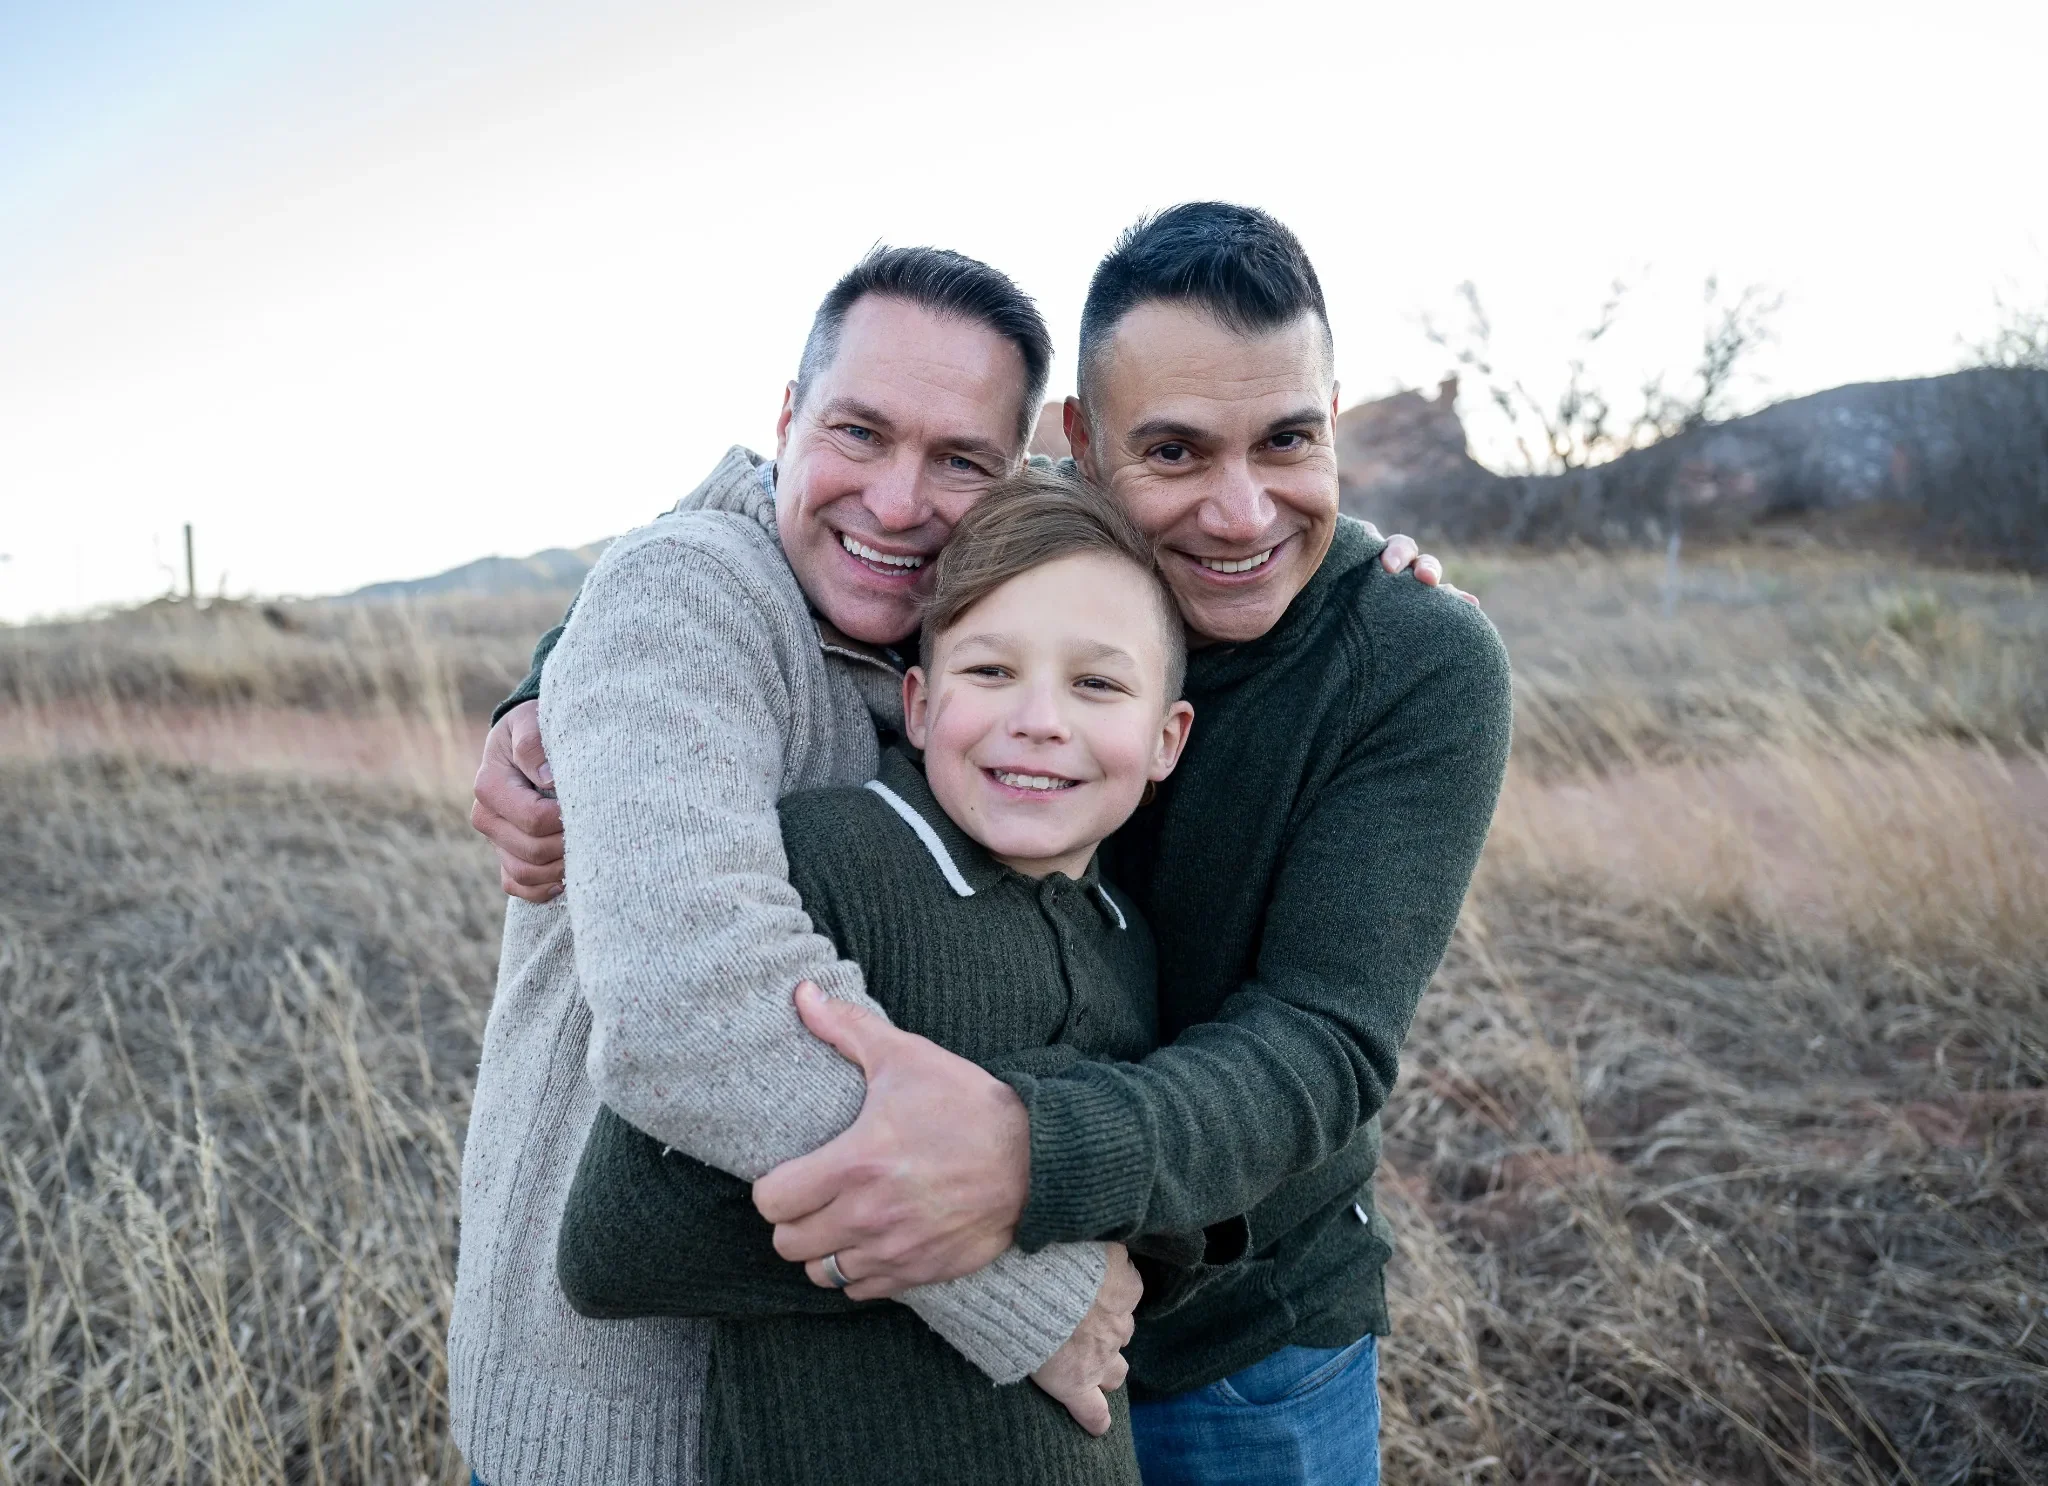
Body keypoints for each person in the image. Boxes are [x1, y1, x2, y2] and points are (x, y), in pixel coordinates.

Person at [462, 213, 1487, 1486]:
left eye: (1286, 440)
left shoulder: (1387, 647)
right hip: (917, 1341)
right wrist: (549, 685)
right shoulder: (965, 584)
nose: (1235, 509)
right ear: (1081, 450)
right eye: (1170, 450)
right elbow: (690, 580)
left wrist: (1023, 1163)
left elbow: (1321, 1040)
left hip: (1244, 1328)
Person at [557, 470, 1205, 1486]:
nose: (1038, 719)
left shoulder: (1127, 930)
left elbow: (1145, 1196)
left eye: (1096, 683)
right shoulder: (832, 863)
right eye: (990, 671)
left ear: (1165, 737)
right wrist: (1013, 1258)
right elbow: (621, 1242)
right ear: (917, 698)